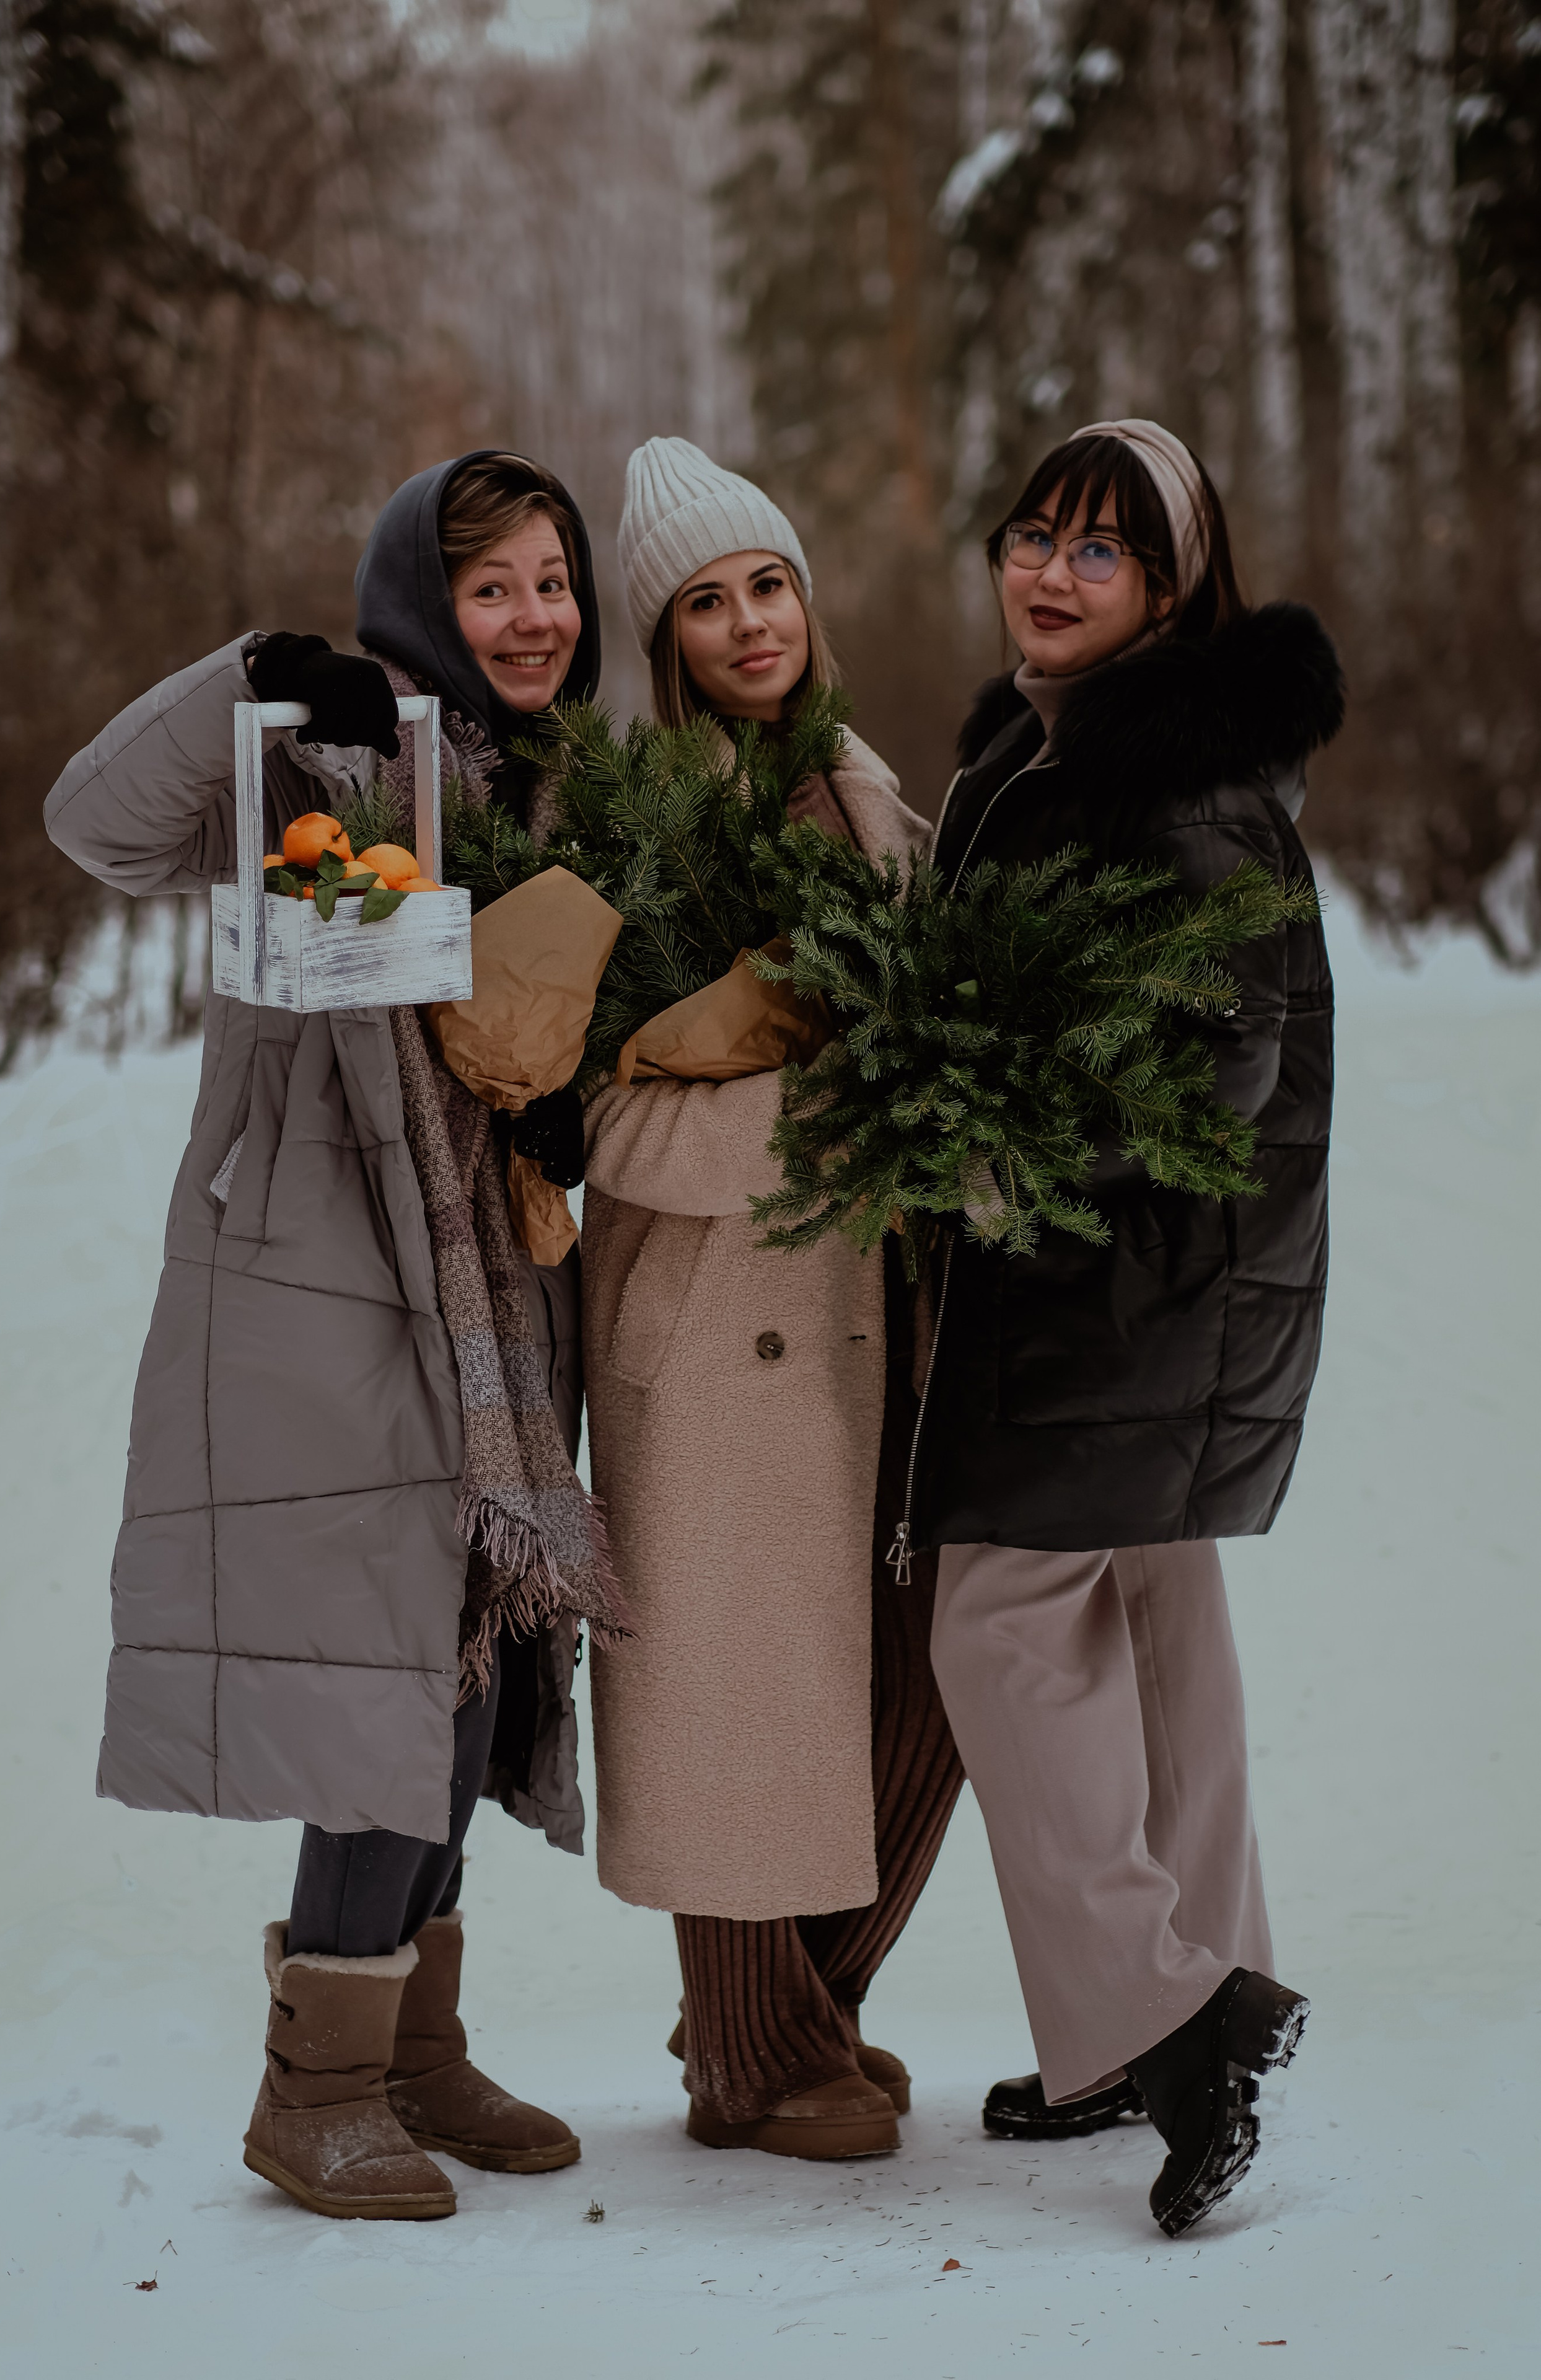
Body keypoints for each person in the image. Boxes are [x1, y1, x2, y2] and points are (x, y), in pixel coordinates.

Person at [43, 450, 625, 2222]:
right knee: (395, 1674)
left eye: (552, 580)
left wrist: (567, 1110)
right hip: (334, 1277)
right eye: (491, 588)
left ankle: (412, 2052)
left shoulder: (565, 793)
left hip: (496, 1294)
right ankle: (318, 2093)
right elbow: (95, 823)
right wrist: (248, 679)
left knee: (471, 1661)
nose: (534, 618)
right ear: (415, 604)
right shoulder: (298, 759)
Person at [908, 418, 1341, 2235]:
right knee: (1158, 1630)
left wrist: (1003, 1146)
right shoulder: (1057, 744)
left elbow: (1215, 1055)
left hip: (1127, 1281)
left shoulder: (1172, 774)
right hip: (1156, 1289)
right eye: (1034, 533)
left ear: (1169, 589)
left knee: (1000, 1621)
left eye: (1102, 549)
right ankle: (1182, 1993)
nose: (1051, 570)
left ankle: (1168, 2016)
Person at [578, 436, 965, 2161]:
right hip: (710, 1303)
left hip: (873, 1304)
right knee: (741, 1682)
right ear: (665, 639)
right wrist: (831, 1115)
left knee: (926, 1671)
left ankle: (792, 2005)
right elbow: (604, 1115)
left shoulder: (873, 795)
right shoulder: (635, 832)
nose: (751, 622)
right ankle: (755, 2049)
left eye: (770, 583)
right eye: (709, 601)